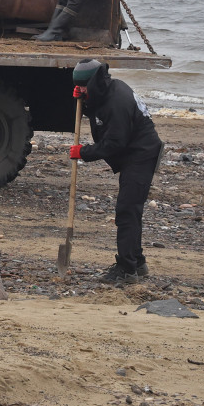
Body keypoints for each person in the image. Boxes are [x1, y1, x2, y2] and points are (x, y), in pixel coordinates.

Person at [70, 59, 164, 284]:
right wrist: (85, 101)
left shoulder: (118, 100)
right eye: (78, 86)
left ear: (95, 81)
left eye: (84, 86)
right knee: (130, 211)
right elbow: (101, 115)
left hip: (141, 154)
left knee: (126, 211)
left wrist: (84, 152)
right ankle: (138, 263)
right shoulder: (105, 91)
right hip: (133, 152)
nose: (81, 89)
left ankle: (127, 269)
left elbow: (115, 142)